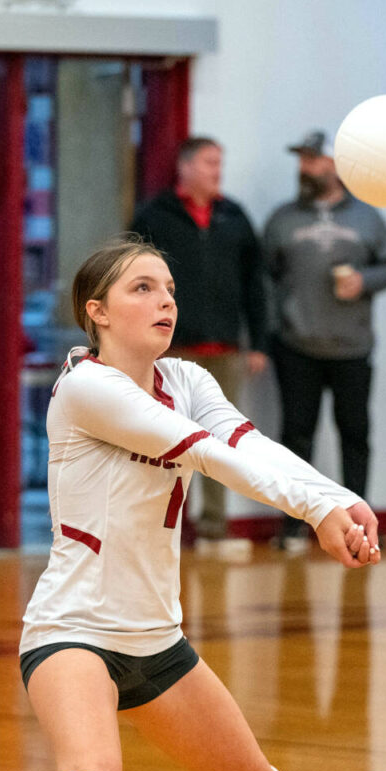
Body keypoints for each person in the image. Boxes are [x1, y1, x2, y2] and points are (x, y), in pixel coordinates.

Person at [0, 236, 378, 771]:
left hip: (156, 637)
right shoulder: (86, 388)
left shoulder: (185, 377)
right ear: (98, 311)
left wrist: (336, 497)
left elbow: (251, 443)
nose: (166, 301)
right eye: (144, 288)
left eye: (170, 287)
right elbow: (209, 455)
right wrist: (315, 510)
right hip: (72, 630)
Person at [263, 129, 386, 551]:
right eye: (302, 160)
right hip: (297, 345)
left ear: (338, 165)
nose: (306, 168)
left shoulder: (368, 217)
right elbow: (266, 277)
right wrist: (272, 331)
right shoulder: (283, 218)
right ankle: (292, 528)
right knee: (295, 437)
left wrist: (364, 281)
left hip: (352, 347)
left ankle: (361, 525)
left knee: (354, 433)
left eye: (314, 160)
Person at [130, 137, 269, 551]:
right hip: (171, 350)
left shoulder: (234, 216)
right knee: (165, 439)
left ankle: (213, 528)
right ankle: (160, 527)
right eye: (209, 162)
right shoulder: (154, 215)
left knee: (221, 441)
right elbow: (131, 280)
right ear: (185, 167)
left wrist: (257, 342)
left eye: (219, 163)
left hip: (224, 349)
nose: (217, 171)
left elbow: (254, 284)